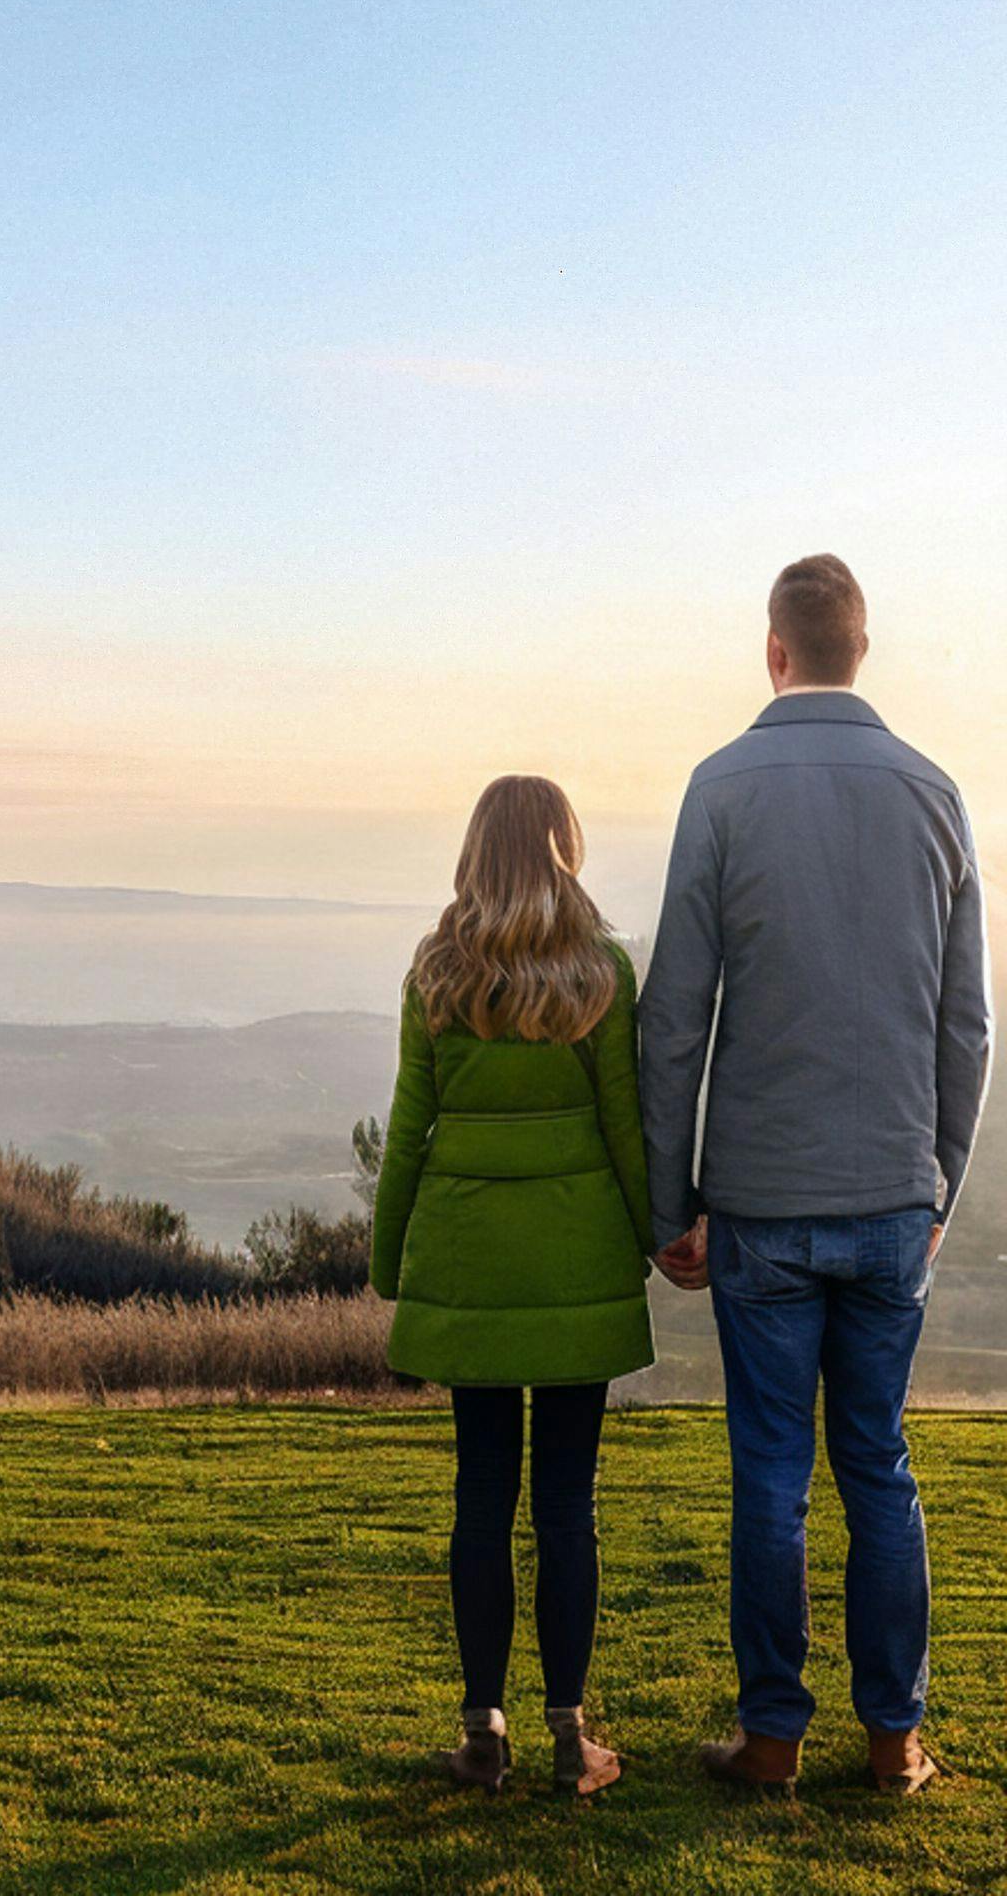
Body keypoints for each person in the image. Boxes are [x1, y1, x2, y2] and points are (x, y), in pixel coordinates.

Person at [638, 553, 990, 1795]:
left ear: (774, 651)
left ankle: (773, 1738)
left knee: (772, 1474)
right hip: (896, 1196)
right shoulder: (936, 794)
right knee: (879, 1464)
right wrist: (938, 1182)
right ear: (862, 648)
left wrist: (667, 1202)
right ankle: (894, 1740)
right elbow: (969, 1027)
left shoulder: (721, 788)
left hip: (763, 1206)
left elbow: (674, 1013)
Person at [372, 774, 656, 1797]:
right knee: (569, 1507)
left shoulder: (437, 974)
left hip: (469, 1263)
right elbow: (628, 1129)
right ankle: (572, 1738)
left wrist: (388, 1256)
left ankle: (481, 1729)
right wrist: (658, 1235)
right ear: (562, 850)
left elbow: (410, 1130)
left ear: (475, 852)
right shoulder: (600, 974)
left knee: (481, 1497)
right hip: (577, 1263)